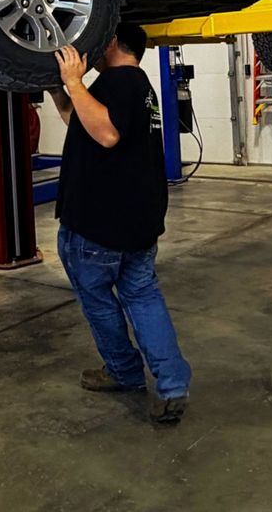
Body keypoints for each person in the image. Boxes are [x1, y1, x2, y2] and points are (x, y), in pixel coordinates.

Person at [50, 22, 191, 426]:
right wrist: (62, 88)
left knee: (99, 303)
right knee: (144, 299)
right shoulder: (138, 88)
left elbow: (107, 134)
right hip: (138, 225)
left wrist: (75, 82)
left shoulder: (118, 82)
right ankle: (172, 385)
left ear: (110, 41)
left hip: (98, 228)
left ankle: (124, 372)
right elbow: (84, 122)